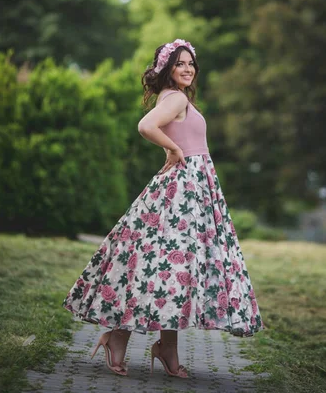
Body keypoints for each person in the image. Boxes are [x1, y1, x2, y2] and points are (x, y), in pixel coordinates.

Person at [62, 39, 265, 379]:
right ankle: (124, 338)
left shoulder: (175, 98)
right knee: (164, 267)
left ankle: (157, 344)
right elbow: (146, 126)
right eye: (180, 64)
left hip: (191, 195)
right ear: (167, 69)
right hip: (180, 195)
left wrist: (176, 151)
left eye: (191, 64)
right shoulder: (176, 98)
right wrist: (173, 150)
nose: (188, 69)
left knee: (167, 270)